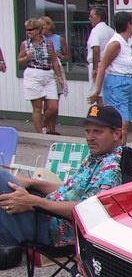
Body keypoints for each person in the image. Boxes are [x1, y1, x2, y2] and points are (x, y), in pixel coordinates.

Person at [0, 104, 124, 259]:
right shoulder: (97, 157)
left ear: (116, 134)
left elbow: (88, 210)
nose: (90, 137)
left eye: (97, 132)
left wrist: (35, 202)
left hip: (54, 229)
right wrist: (32, 183)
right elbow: (71, 190)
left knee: (1, 176)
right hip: (44, 214)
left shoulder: (112, 168)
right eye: (87, 131)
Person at [90, 11, 132, 145]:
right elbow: (102, 66)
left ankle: (121, 147)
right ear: (129, 24)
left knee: (126, 120)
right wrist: (97, 91)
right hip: (117, 83)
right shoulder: (115, 43)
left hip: (128, 81)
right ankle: (117, 150)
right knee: (121, 122)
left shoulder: (126, 44)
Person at [17, 18, 59, 134]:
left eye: (31, 29)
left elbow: (54, 60)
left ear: (38, 30)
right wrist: (26, 58)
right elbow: (20, 61)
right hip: (33, 73)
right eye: (27, 30)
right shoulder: (25, 44)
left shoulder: (48, 43)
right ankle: (40, 134)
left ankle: (44, 124)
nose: (28, 32)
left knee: (53, 107)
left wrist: (59, 77)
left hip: (48, 73)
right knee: (37, 107)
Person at [39, 16, 70, 134]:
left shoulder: (59, 39)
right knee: (46, 102)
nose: (41, 28)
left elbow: (67, 56)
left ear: (49, 25)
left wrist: (60, 55)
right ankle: (46, 126)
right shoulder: (39, 40)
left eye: (43, 25)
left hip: (57, 69)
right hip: (44, 70)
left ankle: (53, 128)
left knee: (55, 100)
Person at [86, 7, 115, 86]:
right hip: (109, 66)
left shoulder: (95, 30)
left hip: (98, 64)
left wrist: (95, 69)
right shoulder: (111, 31)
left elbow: (96, 49)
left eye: (91, 16)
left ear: (98, 18)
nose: (89, 18)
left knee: (94, 90)